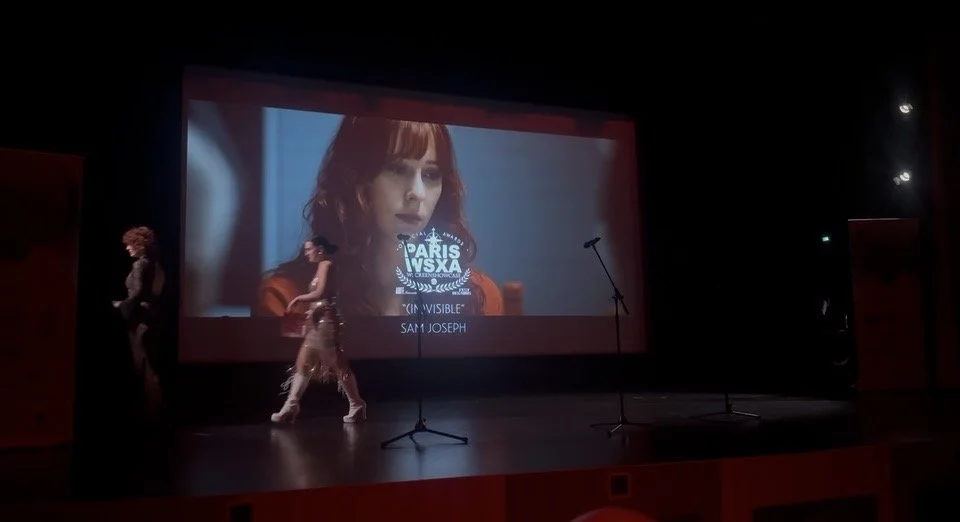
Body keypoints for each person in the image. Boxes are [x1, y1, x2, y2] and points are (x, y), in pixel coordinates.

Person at [256, 116, 504, 317]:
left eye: (431, 175)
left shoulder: (479, 299)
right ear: (356, 180)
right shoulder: (287, 301)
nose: (417, 193)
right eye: (397, 169)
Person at [271, 235, 366, 424]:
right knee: (303, 362)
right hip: (317, 318)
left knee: (336, 361)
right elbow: (321, 297)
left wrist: (298, 299)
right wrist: (310, 311)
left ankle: (356, 404)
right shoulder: (322, 266)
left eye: (309, 249)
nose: (306, 254)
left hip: (326, 321)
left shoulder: (326, 265)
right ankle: (291, 405)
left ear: (320, 249)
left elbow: (321, 292)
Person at [113, 226, 166, 418]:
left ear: (140, 246)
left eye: (130, 244)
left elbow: (136, 295)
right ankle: (155, 408)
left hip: (141, 319)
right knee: (152, 364)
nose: (127, 248)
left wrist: (119, 306)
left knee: (142, 364)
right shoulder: (157, 266)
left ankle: (148, 411)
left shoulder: (140, 265)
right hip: (154, 317)